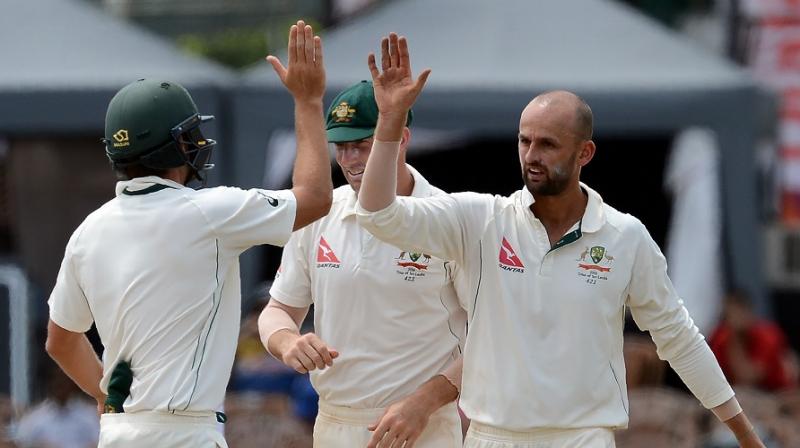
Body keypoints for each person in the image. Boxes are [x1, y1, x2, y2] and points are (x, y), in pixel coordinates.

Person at [355, 33, 767, 448]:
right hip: (492, 438)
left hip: (582, 439)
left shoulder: (625, 237)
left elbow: (680, 340)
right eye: (524, 141)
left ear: (584, 153)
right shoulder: (479, 218)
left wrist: (746, 436)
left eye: (547, 144)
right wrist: (390, 122)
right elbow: (377, 215)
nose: (531, 155)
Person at [44, 20, 332, 447]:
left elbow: (61, 342)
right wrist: (308, 101)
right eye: (189, 134)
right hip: (185, 435)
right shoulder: (209, 212)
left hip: (118, 435)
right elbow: (315, 198)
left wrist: (106, 396)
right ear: (175, 147)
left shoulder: (89, 231)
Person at [258, 79, 466, 448]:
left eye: (362, 146)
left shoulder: (448, 218)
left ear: (399, 138)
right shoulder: (321, 214)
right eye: (342, 147)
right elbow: (277, 310)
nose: (350, 160)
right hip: (337, 422)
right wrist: (288, 341)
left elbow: (488, 339)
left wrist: (424, 403)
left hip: (423, 428)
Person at [709, 290, 798, 391]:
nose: (736, 318)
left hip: (776, 391)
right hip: (737, 392)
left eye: (740, 312)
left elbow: (749, 378)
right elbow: (714, 377)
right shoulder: (719, 338)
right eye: (731, 314)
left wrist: (735, 341)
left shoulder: (768, 335)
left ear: (749, 313)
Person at [12, 366, 100, 448]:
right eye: (57, 381)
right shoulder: (35, 418)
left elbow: (100, 442)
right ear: (50, 384)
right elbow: (21, 442)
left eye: (64, 381)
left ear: (73, 384)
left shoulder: (89, 415)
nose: (60, 385)